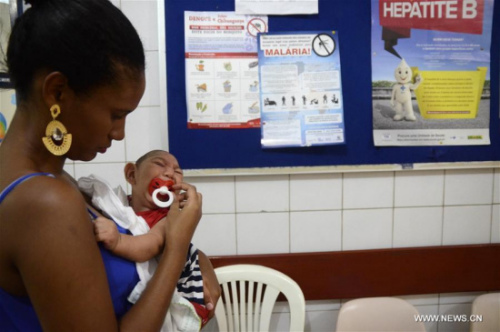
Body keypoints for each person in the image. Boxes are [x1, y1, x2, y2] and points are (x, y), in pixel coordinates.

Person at [0, 1, 219, 331]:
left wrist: (192, 256)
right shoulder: (44, 201)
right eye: (116, 115)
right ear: (57, 92)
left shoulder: (52, 181)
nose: (119, 133)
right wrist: (175, 249)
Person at [79, 150, 211, 328]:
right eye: (160, 164)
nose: (170, 173)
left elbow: (149, 246)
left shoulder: (168, 218)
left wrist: (118, 240)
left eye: (178, 171)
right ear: (132, 175)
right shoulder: (119, 207)